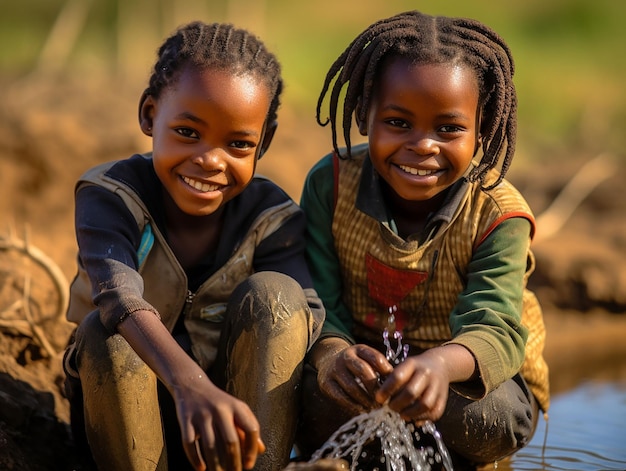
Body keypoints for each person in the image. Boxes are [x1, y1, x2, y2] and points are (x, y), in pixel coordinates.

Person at [62, 21, 324, 471]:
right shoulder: (112, 196)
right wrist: (190, 385)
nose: (209, 159)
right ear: (149, 115)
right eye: (187, 132)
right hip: (124, 421)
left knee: (280, 298)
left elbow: (309, 315)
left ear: (264, 143)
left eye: (238, 143)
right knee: (107, 336)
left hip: (235, 419)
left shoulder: (272, 217)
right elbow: (117, 295)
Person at [296, 10, 550, 469]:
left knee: (499, 416)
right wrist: (334, 354)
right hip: (360, 376)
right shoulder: (330, 185)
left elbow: (497, 328)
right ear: (365, 115)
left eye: (449, 129)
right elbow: (317, 299)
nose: (423, 146)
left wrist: (439, 367)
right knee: (305, 395)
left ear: (483, 129)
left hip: (464, 387)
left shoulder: (498, 214)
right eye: (397, 122)